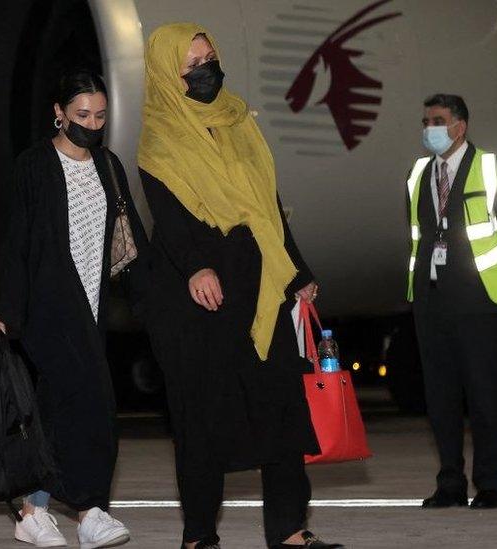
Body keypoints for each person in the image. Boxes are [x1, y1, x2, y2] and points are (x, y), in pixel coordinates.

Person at [137, 24, 340, 549]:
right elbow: (170, 216)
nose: (206, 69)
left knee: (281, 406)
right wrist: (196, 267)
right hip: (200, 296)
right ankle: (199, 535)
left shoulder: (238, 120)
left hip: (262, 282)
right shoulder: (160, 136)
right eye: (192, 63)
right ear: (167, 73)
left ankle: (290, 530)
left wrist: (297, 269)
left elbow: (267, 205)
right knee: (202, 416)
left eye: (210, 57)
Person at [0, 69, 147, 549]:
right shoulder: (34, 165)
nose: (91, 124)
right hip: (46, 305)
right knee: (90, 402)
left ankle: (41, 510)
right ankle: (86, 509)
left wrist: (160, 303)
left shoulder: (109, 165)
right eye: (81, 115)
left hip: (92, 306)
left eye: (99, 116)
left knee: (62, 406)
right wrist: (0, 310)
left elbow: (133, 240)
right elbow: (16, 243)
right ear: (58, 113)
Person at [406, 94, 497, 509]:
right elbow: (419, 236)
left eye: (438, 120)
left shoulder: (494, 169)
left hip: (476, 300)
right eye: (426, 121)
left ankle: (490, 483)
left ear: (461, 126)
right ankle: (450, 482)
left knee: (483, 393)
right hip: (431, 299)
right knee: (440, 396)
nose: (430, 129)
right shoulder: (420, 174)